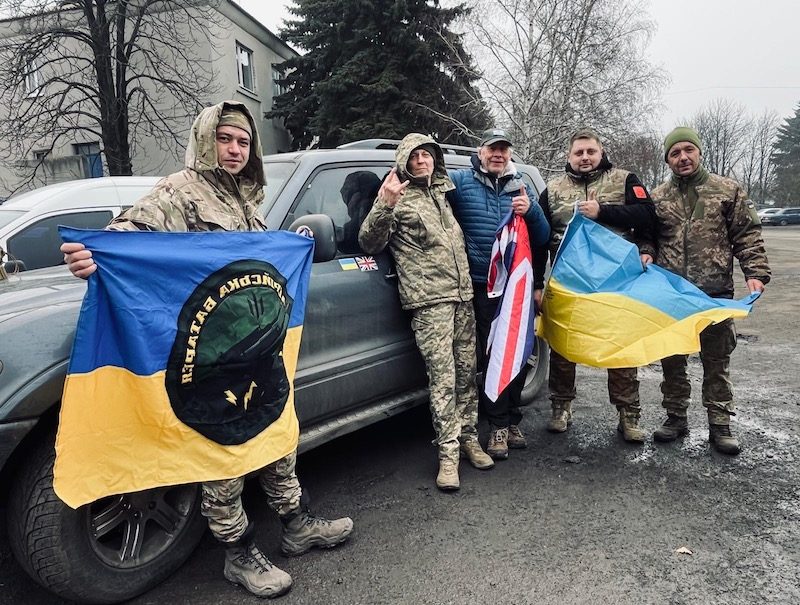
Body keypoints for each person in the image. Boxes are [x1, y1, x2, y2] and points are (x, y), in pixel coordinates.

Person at [60, 101, 353, 599]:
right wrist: (93, 256)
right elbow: (127, 238)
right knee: (224, 456)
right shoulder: (180, 191)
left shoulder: (248, 200)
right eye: (225, 139)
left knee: (276, 439)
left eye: (243, 141)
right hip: (211, 359)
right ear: (205, 140)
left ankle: (298, 524)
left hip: (256, 352)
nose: (235, 149)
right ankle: (238, 555)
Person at [358, 133, 494, 491]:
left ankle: (469, 439)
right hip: (429, 302)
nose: (422, 161)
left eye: (427, 154)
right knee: (443, 380)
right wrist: (385, 204)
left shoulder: (441, 195)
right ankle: (447, 456)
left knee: (468, 372)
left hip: (462, 297)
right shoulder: (397, 199)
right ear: (404, 161)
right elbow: (369, 242)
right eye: (415, 156)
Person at [651, 126, 771, 455]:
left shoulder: (726, 190)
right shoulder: (658, 197)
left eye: (688, 149)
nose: (683, 157)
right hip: (672, 295)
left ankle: (720, 423)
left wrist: (755, 272)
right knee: (672, 359)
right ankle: (676, 417)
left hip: (714, 294)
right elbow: (647, 236)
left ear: (699, 152)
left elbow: (747, 234)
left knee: (716, 360)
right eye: (675, 153)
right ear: (668, 159)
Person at [533, 128, 657, 443]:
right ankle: (561, 407)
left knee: (619, 347)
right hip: (568, 283)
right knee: (562, 346)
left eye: (591, 152)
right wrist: (536, 283)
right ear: (569, 156)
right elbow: (538, 239)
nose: (585, 157)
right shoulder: (553, 190)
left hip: (614, 282)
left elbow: (648, 217)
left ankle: (628, 415)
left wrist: (604, 212)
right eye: (579, 152)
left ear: (601, 153)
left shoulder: (625, 180)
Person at [447, 128, 550, 460]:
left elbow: (543, 236)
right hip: (482, 285)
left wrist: (530, 211)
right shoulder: (461, 182)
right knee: (493, 358)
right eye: (492, 148)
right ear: (480, 152)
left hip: (515, 287)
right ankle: (498, 427)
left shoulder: (520, 187)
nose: (498, 154)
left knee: (518, 355)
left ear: (509, 155)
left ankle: (511, 420)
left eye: (504, 150)